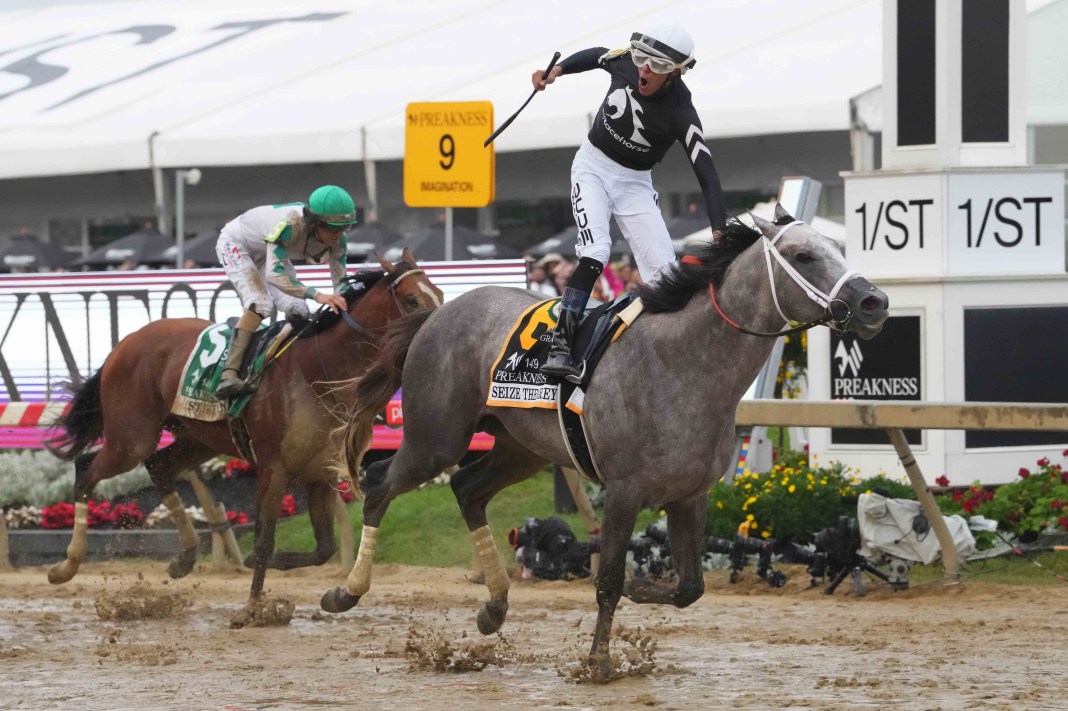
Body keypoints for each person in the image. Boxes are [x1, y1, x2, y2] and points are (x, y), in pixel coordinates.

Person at [530, 21, 727, 382]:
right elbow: (595, 56)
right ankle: (561, 342)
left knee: (665, 273)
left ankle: (664, 355)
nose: (644, 71)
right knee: (596, 252)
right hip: (592, 167)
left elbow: (707, 173)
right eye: (641, 60)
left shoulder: (682, 111)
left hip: (634, 183)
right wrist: (556, 70)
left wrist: (719, 230)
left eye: (657, 66)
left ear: (677, 72)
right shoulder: (625, 62)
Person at [214, 185, 359, 398]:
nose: (338, 235)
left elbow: (341, 282)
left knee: (299, 309)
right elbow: (275, 275)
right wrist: (319, 295)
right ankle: (229, 375)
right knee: (260, 302)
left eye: (344, 228)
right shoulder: (290, 225)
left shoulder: (338, 239)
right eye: (332, 229)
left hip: (266, 251)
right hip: (236, 244)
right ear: (314, 222)